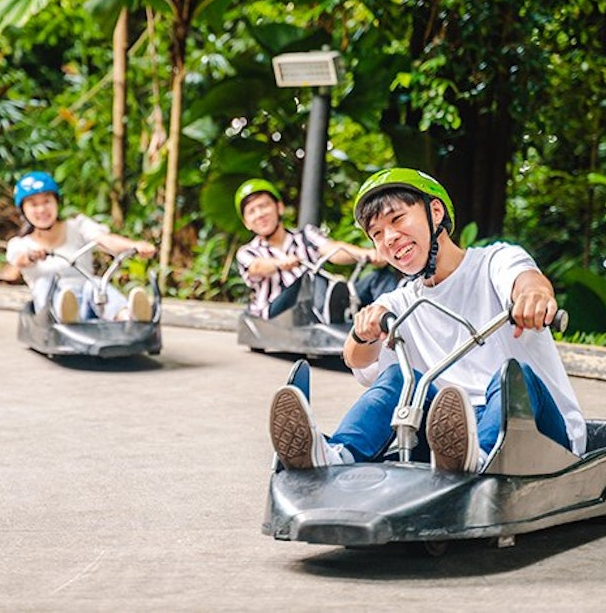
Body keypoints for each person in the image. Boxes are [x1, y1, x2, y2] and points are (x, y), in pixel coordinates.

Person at [268, 167, 587, 473]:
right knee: (395, 378)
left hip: (543, 433)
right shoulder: (401, 301)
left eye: (397, 219)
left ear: (435, 213)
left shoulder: (494, 261)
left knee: (511, 377)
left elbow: (526, 279)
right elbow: (354, 357)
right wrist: (364, 332)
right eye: (377, 233)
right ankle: (337, 454)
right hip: (450, 432)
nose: (389, 238)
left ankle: (481, 458)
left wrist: (533, 297)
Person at [234, 178, 397, 322]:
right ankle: (328, 312)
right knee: (309, 278)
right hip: (277, 311)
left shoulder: (306, 235)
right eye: (252, 211)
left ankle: (392, 323)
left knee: (378, 278)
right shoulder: (247, 252)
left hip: (320, 298)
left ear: (279, 207)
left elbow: (332, 250)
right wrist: (280, 263)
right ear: (247, 223)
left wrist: (366, 254)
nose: (260, 214)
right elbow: (256, 268)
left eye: (264, 206)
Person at [5, 171, 156, 323]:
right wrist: (32, 256)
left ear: (57, 202)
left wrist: (135, 246)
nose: (42, 210)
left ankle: (128, 316)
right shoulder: (21, 244)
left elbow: (105, 240)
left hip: (87, 302)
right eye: (34, 204)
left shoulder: (78, 226)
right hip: (50, 311)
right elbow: (20, 260)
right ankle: (66, 318)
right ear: (23, 210)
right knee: (44, 283)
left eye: (47, 202)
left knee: (96, 284)